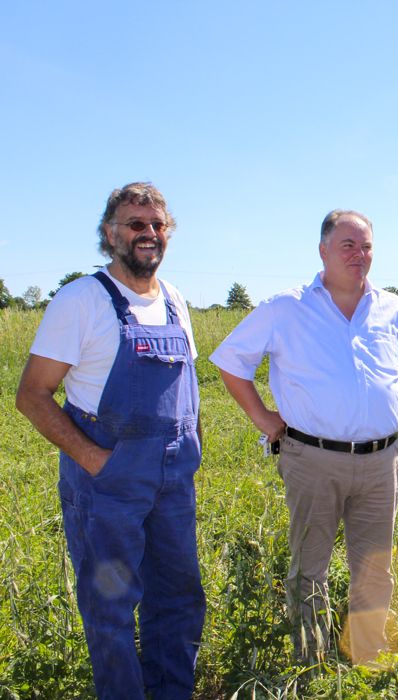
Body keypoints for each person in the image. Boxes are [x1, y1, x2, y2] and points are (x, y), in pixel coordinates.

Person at [209, 209, 398, 665]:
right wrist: (263, 418)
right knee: (310, 566)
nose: (360, 255)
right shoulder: (287, 307)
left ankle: (366, 655)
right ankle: (311, 660)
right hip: (312, 457)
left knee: (376, 566)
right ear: (323, 251)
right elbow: (230, 362)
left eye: (367, 246)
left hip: (381, 459)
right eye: (348, 246)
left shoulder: (392, 307)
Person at [15, 183, 205, 699]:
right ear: (110, 234)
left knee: (179, 600)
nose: (148, 234)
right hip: (109, 484)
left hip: (172, 481)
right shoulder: (82, 299)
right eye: (135, 224)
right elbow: (32, 394)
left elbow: (185, 388)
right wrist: (95, 461)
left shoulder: (175, 300)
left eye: (157, 224)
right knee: (112, 610)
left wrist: (193, 448)